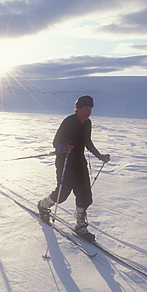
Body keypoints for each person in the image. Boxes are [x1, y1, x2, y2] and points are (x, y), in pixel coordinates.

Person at [38, 95, 110, 240]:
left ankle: (81, 225)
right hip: (65, 162)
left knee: (85, 194)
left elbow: (87, 142)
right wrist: (62, 147)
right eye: (85, 109)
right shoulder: (69, 122)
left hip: (79, 162)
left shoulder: (88, 123)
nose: (88, 112)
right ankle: (42, 205)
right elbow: (55, 142)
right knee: (62, 193)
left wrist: (99, 156)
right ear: (78, 109)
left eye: (90, 109)